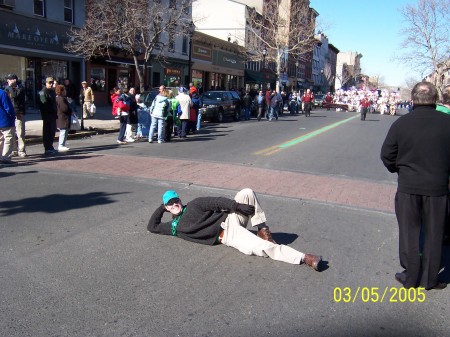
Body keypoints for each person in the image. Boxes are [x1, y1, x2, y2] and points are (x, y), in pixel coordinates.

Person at [380, 81, 450, 290]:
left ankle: (411, 276)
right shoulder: (447, 123)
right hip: (438, 187)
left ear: (412, 99)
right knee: (434, 233)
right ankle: (430, 278)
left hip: (409, 187)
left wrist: (399, 170)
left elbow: (387, 155)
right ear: (435, 100)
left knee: (410, 232)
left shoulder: (402, 124)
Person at [148, 188, 323, 270]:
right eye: (170, 204)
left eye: (175, 200)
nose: (174, 205)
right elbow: (152, 226)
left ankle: (262, 229)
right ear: (167, 208)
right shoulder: (173, 227)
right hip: (227, 234)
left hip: (231, 219)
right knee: (262, 248)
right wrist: (161, 208)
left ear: (180, 200)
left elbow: (216, 202)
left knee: (247, 192)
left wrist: (236, 206)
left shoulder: (194, 205)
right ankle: (303, 257)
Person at [4, 74, 27, 157]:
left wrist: (10, 87)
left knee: (20, 132)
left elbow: (14, 96)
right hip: (10, 113)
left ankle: (21, 150)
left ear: (14, 80)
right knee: (12, 132)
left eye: (9, 79)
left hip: (18, 113)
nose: (8, 81)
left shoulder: (20, 88)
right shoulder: (6, 89)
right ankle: (14, 150)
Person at [39, 77, 57, 155]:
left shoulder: (52, 91)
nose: (51, 84)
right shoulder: (43, 92)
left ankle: (50, 146)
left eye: (52, 83)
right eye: (49, 83)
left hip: (53, 114)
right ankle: (47, 147)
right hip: (47, 115)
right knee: (47, 132)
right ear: (46, 83)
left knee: (52, 131)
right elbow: (43, 105)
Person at [0, 87, 16, 165]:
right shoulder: (2, 93)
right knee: (8, 138)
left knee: (0, 139)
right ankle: (5, 158)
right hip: (5, 120)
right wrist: (13, 115)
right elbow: (8, 108)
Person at [55, 84, 72, 152]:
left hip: (62, 117)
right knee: (63, 131)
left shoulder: (60, 98)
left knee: (65, 131)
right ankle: (61, 145)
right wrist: (70, 109)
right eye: (64, 90)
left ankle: (63, 144)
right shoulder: (61, 99)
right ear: (61, 91)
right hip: (62, 118)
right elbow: (64, 108)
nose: (65, 91)